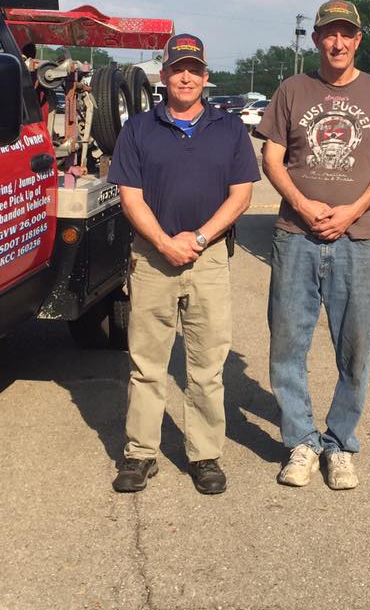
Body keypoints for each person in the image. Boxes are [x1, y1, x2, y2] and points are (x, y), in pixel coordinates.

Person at [256, 0, 370, 489]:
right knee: (287, 343)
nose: (338, 42)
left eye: (347, 34)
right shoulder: (292, 89)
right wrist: (302, 205)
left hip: (357, 239)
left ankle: (340, 442)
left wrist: (352, 210)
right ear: (317, 39)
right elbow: (272, 157)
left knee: (355, 348)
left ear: (358, 40)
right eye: (329, 33)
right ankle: (301, 442)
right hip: (296, 237)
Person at [108, 34, 260, 495]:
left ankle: (205, 455)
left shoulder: (230, 129)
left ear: (206, 77)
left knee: (206, 363)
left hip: (208, 257)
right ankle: (140, 454)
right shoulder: (138, 128)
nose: (186, 76)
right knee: (148, 363)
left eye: (194, 69)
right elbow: (129, 196)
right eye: (178, 69)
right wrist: (163, 242)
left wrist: (197, 238)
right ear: (165, 75)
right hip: (153, 258)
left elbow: (242, 194)